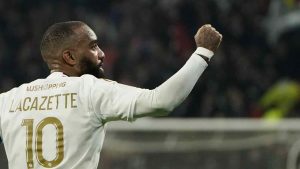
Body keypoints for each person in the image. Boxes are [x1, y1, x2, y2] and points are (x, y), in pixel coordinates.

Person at [0, 21, 222, 169]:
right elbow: (162, 101)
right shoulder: (89, 90)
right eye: (93, 46)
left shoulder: (8, 100)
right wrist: (203, 52)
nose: (102, 54)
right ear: (69, 56)